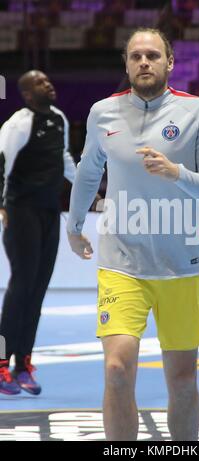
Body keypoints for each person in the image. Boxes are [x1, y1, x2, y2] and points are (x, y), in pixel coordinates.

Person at [67, 28, 199, 441]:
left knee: (182, 380)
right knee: (117, 370)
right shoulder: (103, 112)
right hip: (122, 263)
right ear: (126, 64)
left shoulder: (197, 111)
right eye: (136, 56)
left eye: (153, 55)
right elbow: (88, 173)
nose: (144, 62)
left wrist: (178, 174)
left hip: (182, 267)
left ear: (169, 62)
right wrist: (74, 226)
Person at [0, 70, 76, 395]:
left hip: (48, 212)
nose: (49, 84)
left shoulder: (59, 119)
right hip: (20, 211)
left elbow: (64, 158)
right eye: (40, 83)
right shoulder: (18, 123)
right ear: (28, 94)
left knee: (38, 290)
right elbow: (1, 162)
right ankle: (1, 365)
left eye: (49, 80)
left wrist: (90, 191)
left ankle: (23, 365)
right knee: (21, 286)